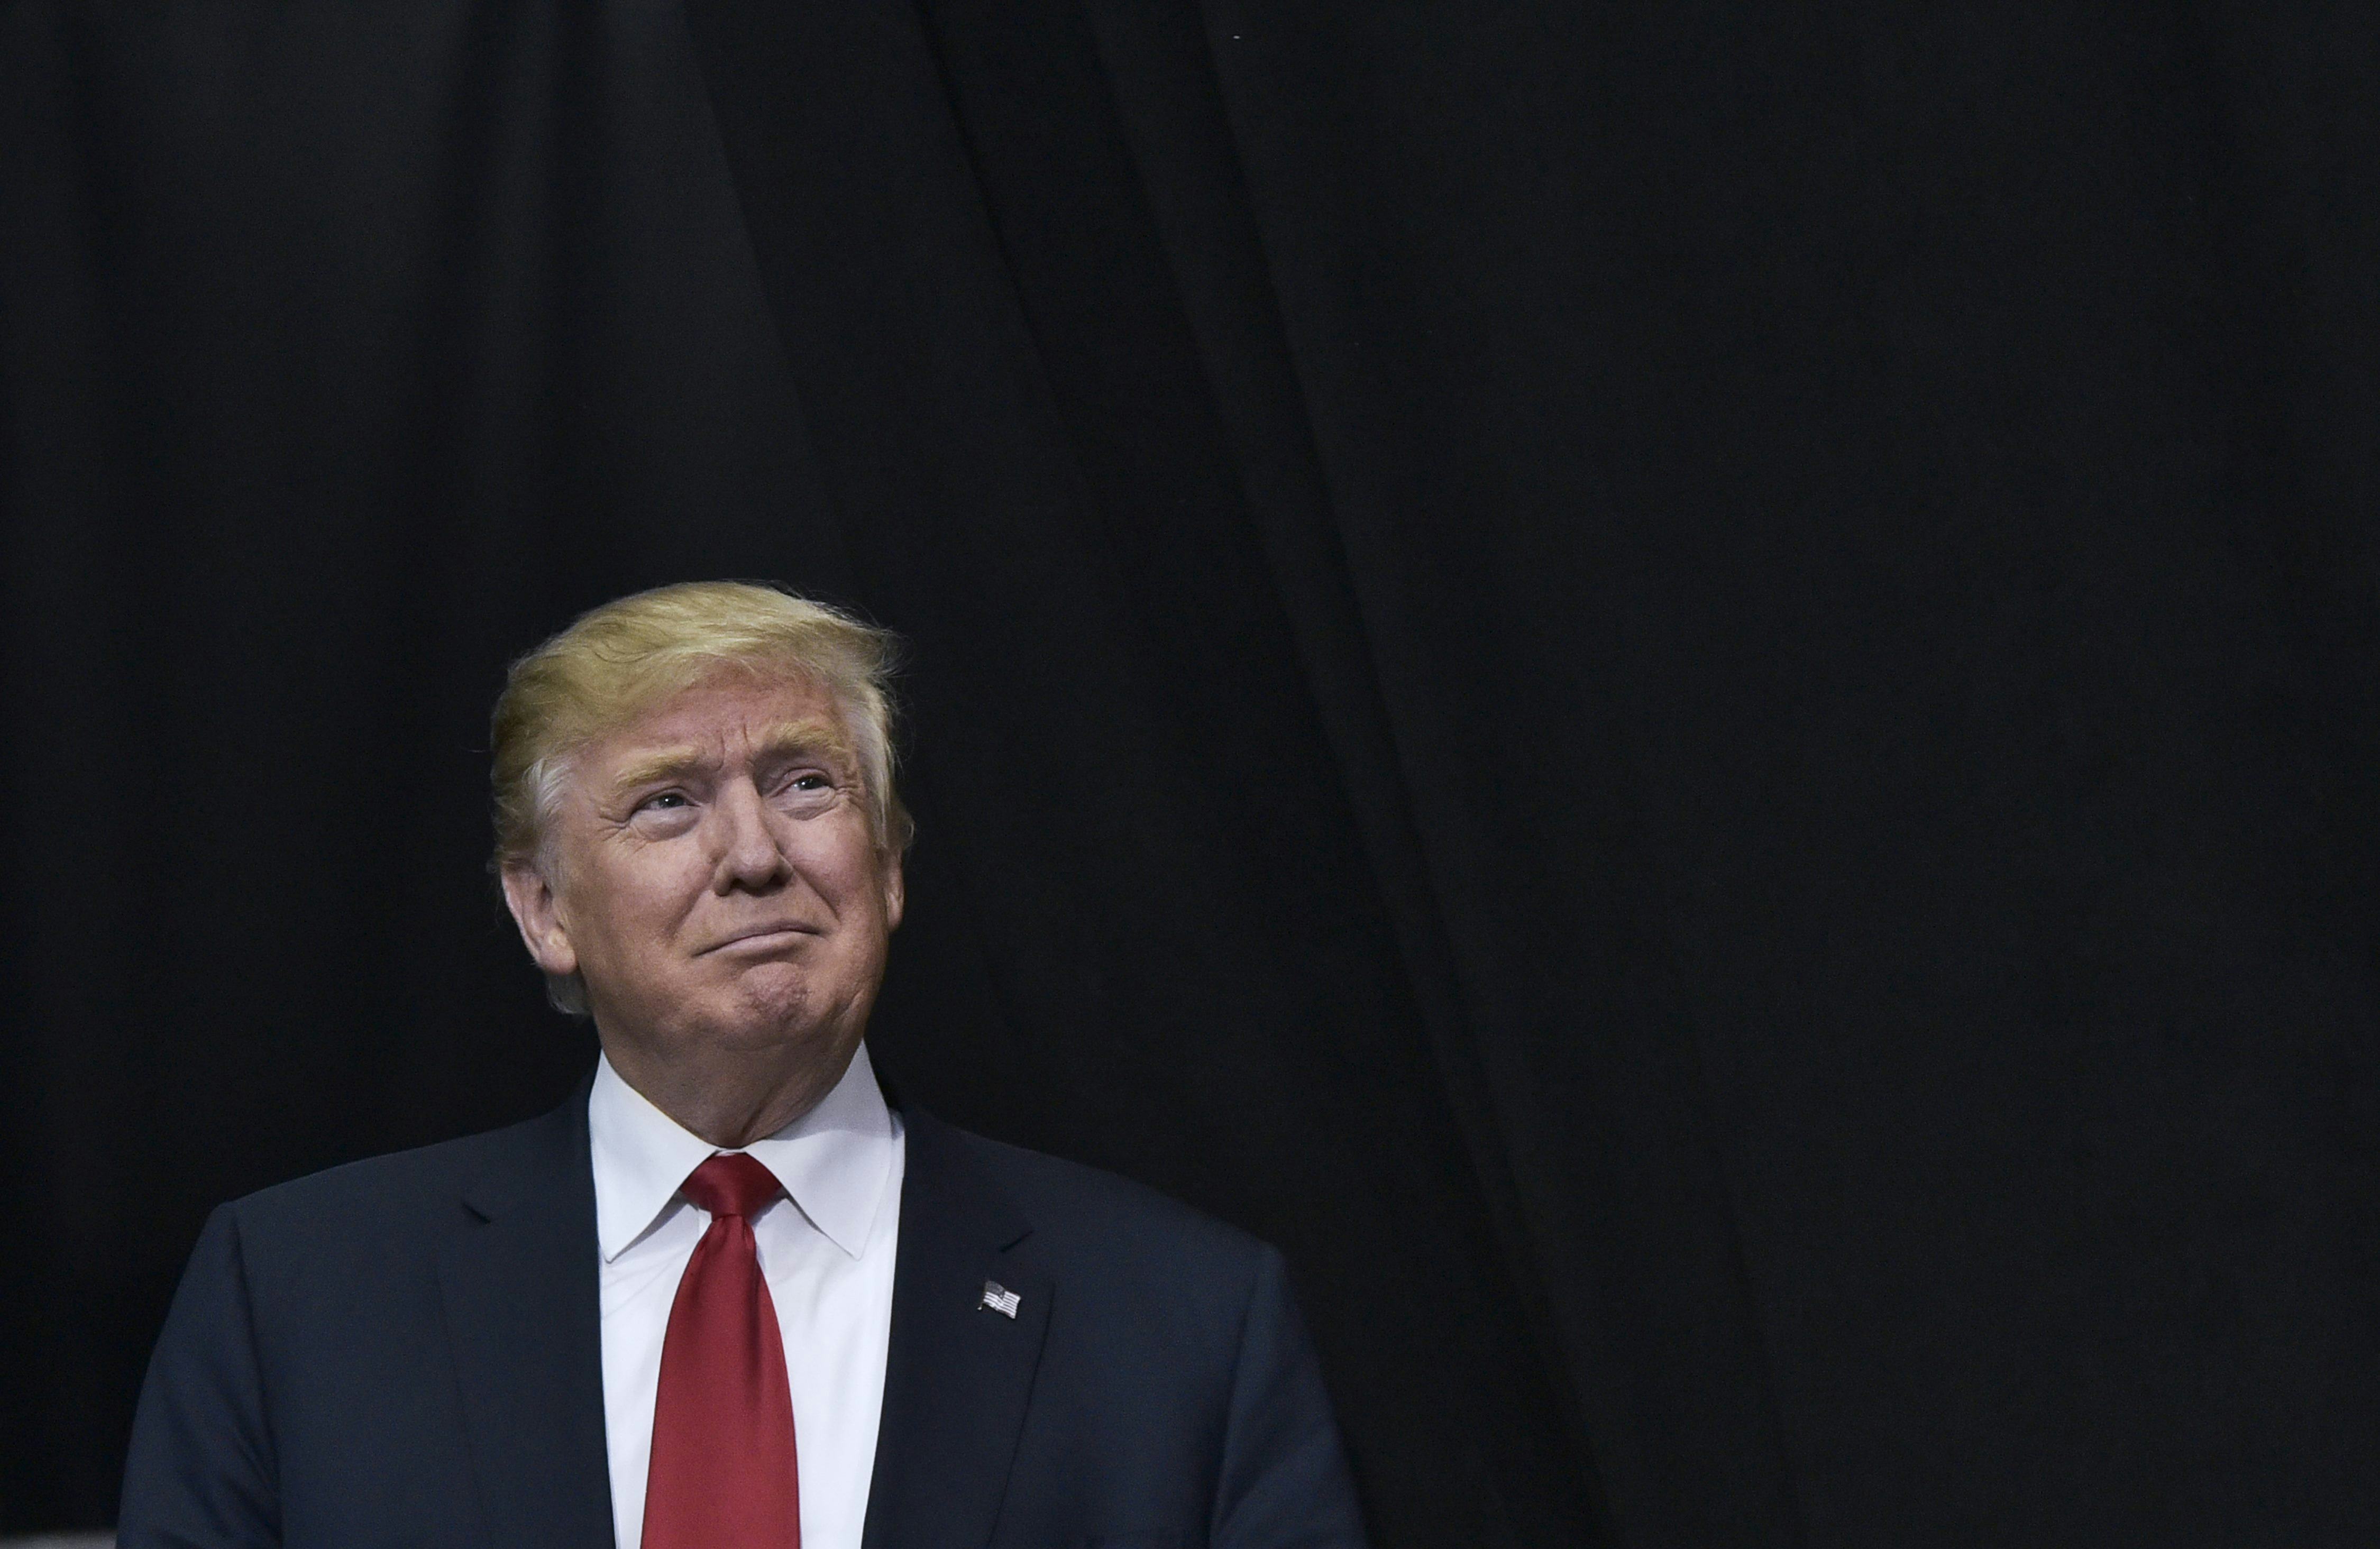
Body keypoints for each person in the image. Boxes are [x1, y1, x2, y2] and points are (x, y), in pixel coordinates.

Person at [118, 582, 1369, 1549]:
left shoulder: (1188, 1322)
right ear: (544, 906)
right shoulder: (290, 1299)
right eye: (668, 801)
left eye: (806, 783)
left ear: (886, 864)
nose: (755, 854)